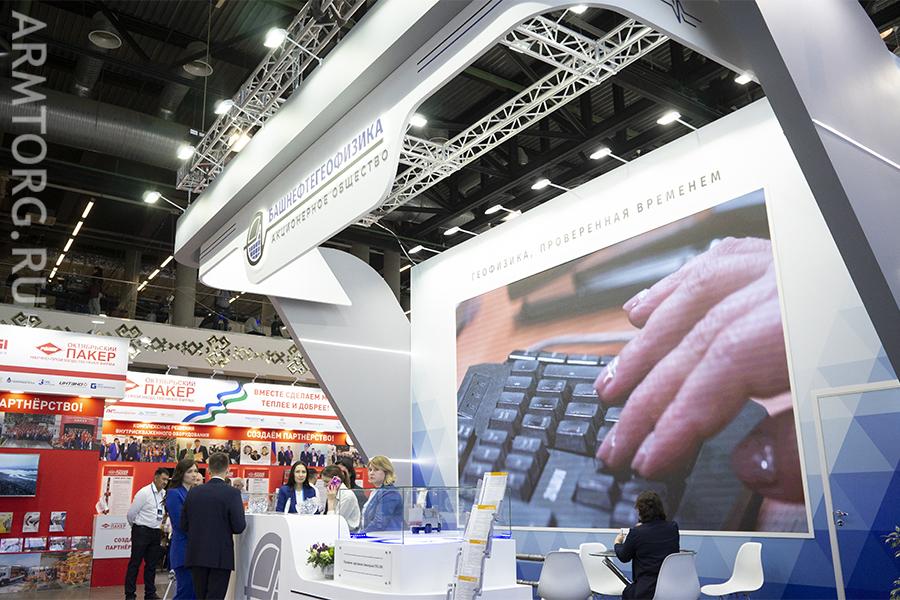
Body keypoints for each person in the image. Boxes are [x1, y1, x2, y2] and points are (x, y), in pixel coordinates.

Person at [181, 452, 246, 600]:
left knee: (200, 596)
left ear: (208, 469)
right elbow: (239, 526)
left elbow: (184, 524)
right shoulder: (232, 493)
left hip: (197, 554)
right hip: (220, 556)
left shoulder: (193, 492)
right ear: (228, 469)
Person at [613, 491, 680, 599]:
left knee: (628, 592)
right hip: (672, 586)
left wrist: (617, 543)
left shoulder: (637, 532)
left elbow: (624, 557)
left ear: (640, 510)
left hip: (647, 591)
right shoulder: (672, 527)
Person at [125, 468, 170, 600]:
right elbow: (131, 514)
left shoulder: (164, 494)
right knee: (135, 564)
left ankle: (150, 594)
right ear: (156, 478)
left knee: (151, 565)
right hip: (141, 531)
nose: (165, 482)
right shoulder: (144, 493)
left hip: (155, 532)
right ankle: (130, 595)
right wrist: (137, 527)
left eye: (167, 480)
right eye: (163, 479)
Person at [165, 459, 202, 600]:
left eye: (196, 471)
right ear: (181, 473)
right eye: (190, 471)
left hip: (195, 551)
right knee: (185, 593)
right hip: (183, 550)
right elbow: (180, 524)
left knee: (193, 593)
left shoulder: (193, 493)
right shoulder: (174, 493)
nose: (194, 474)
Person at [360, 456, 403, 533]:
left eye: (376, 470)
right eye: (370, 470)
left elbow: (379, 524)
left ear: (386, 472)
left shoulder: (390, 493)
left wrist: (361, 535)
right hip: (375, 536)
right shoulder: (375, 491)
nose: (371, 473)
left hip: (387, 538)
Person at [320, 465, 360, 530]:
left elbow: (334, 523)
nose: (324, 485)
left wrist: (330, 501)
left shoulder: (347, 496)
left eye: (326, 481)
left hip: (348, 532)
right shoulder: (333, 493)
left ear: (336, 480)